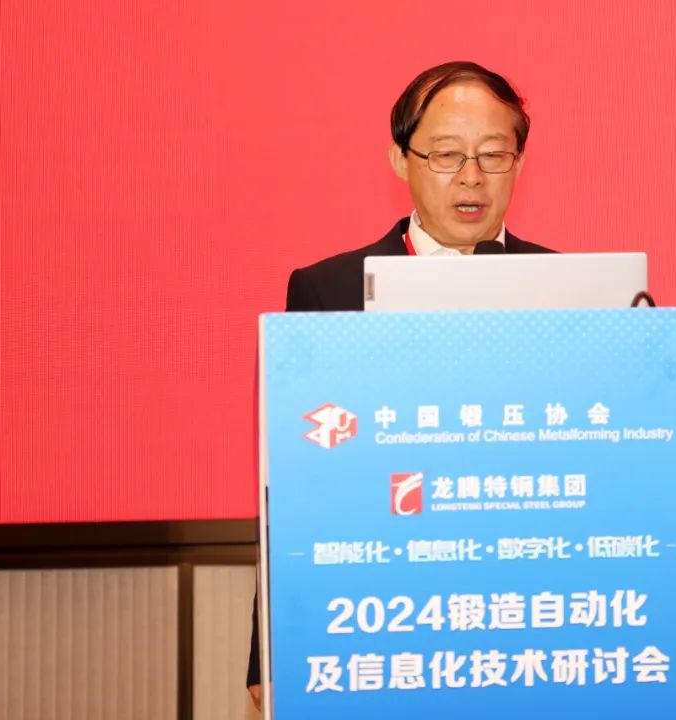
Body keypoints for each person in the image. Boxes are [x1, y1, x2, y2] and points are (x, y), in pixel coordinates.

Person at [247, 60, 552, 711]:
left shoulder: (575, 293)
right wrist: (270, 653)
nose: (471, 177)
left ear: (519, 163)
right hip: (379, 616)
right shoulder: (329, 290)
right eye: (446, 154)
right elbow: (295, 483)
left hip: (532, 619)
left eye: (493, 155)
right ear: (399, 159)